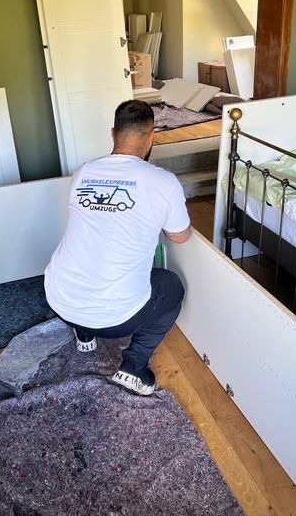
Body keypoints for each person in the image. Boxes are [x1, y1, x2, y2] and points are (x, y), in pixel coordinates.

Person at [44, 100, 191, 395]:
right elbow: (179, 236)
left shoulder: (84, 171)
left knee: (89, 255)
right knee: (172, 287)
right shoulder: (163, 182)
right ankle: (133, 366)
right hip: (116, 321)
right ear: (151, 137)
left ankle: (84, 334)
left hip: (59, 299)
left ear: (113, 133)